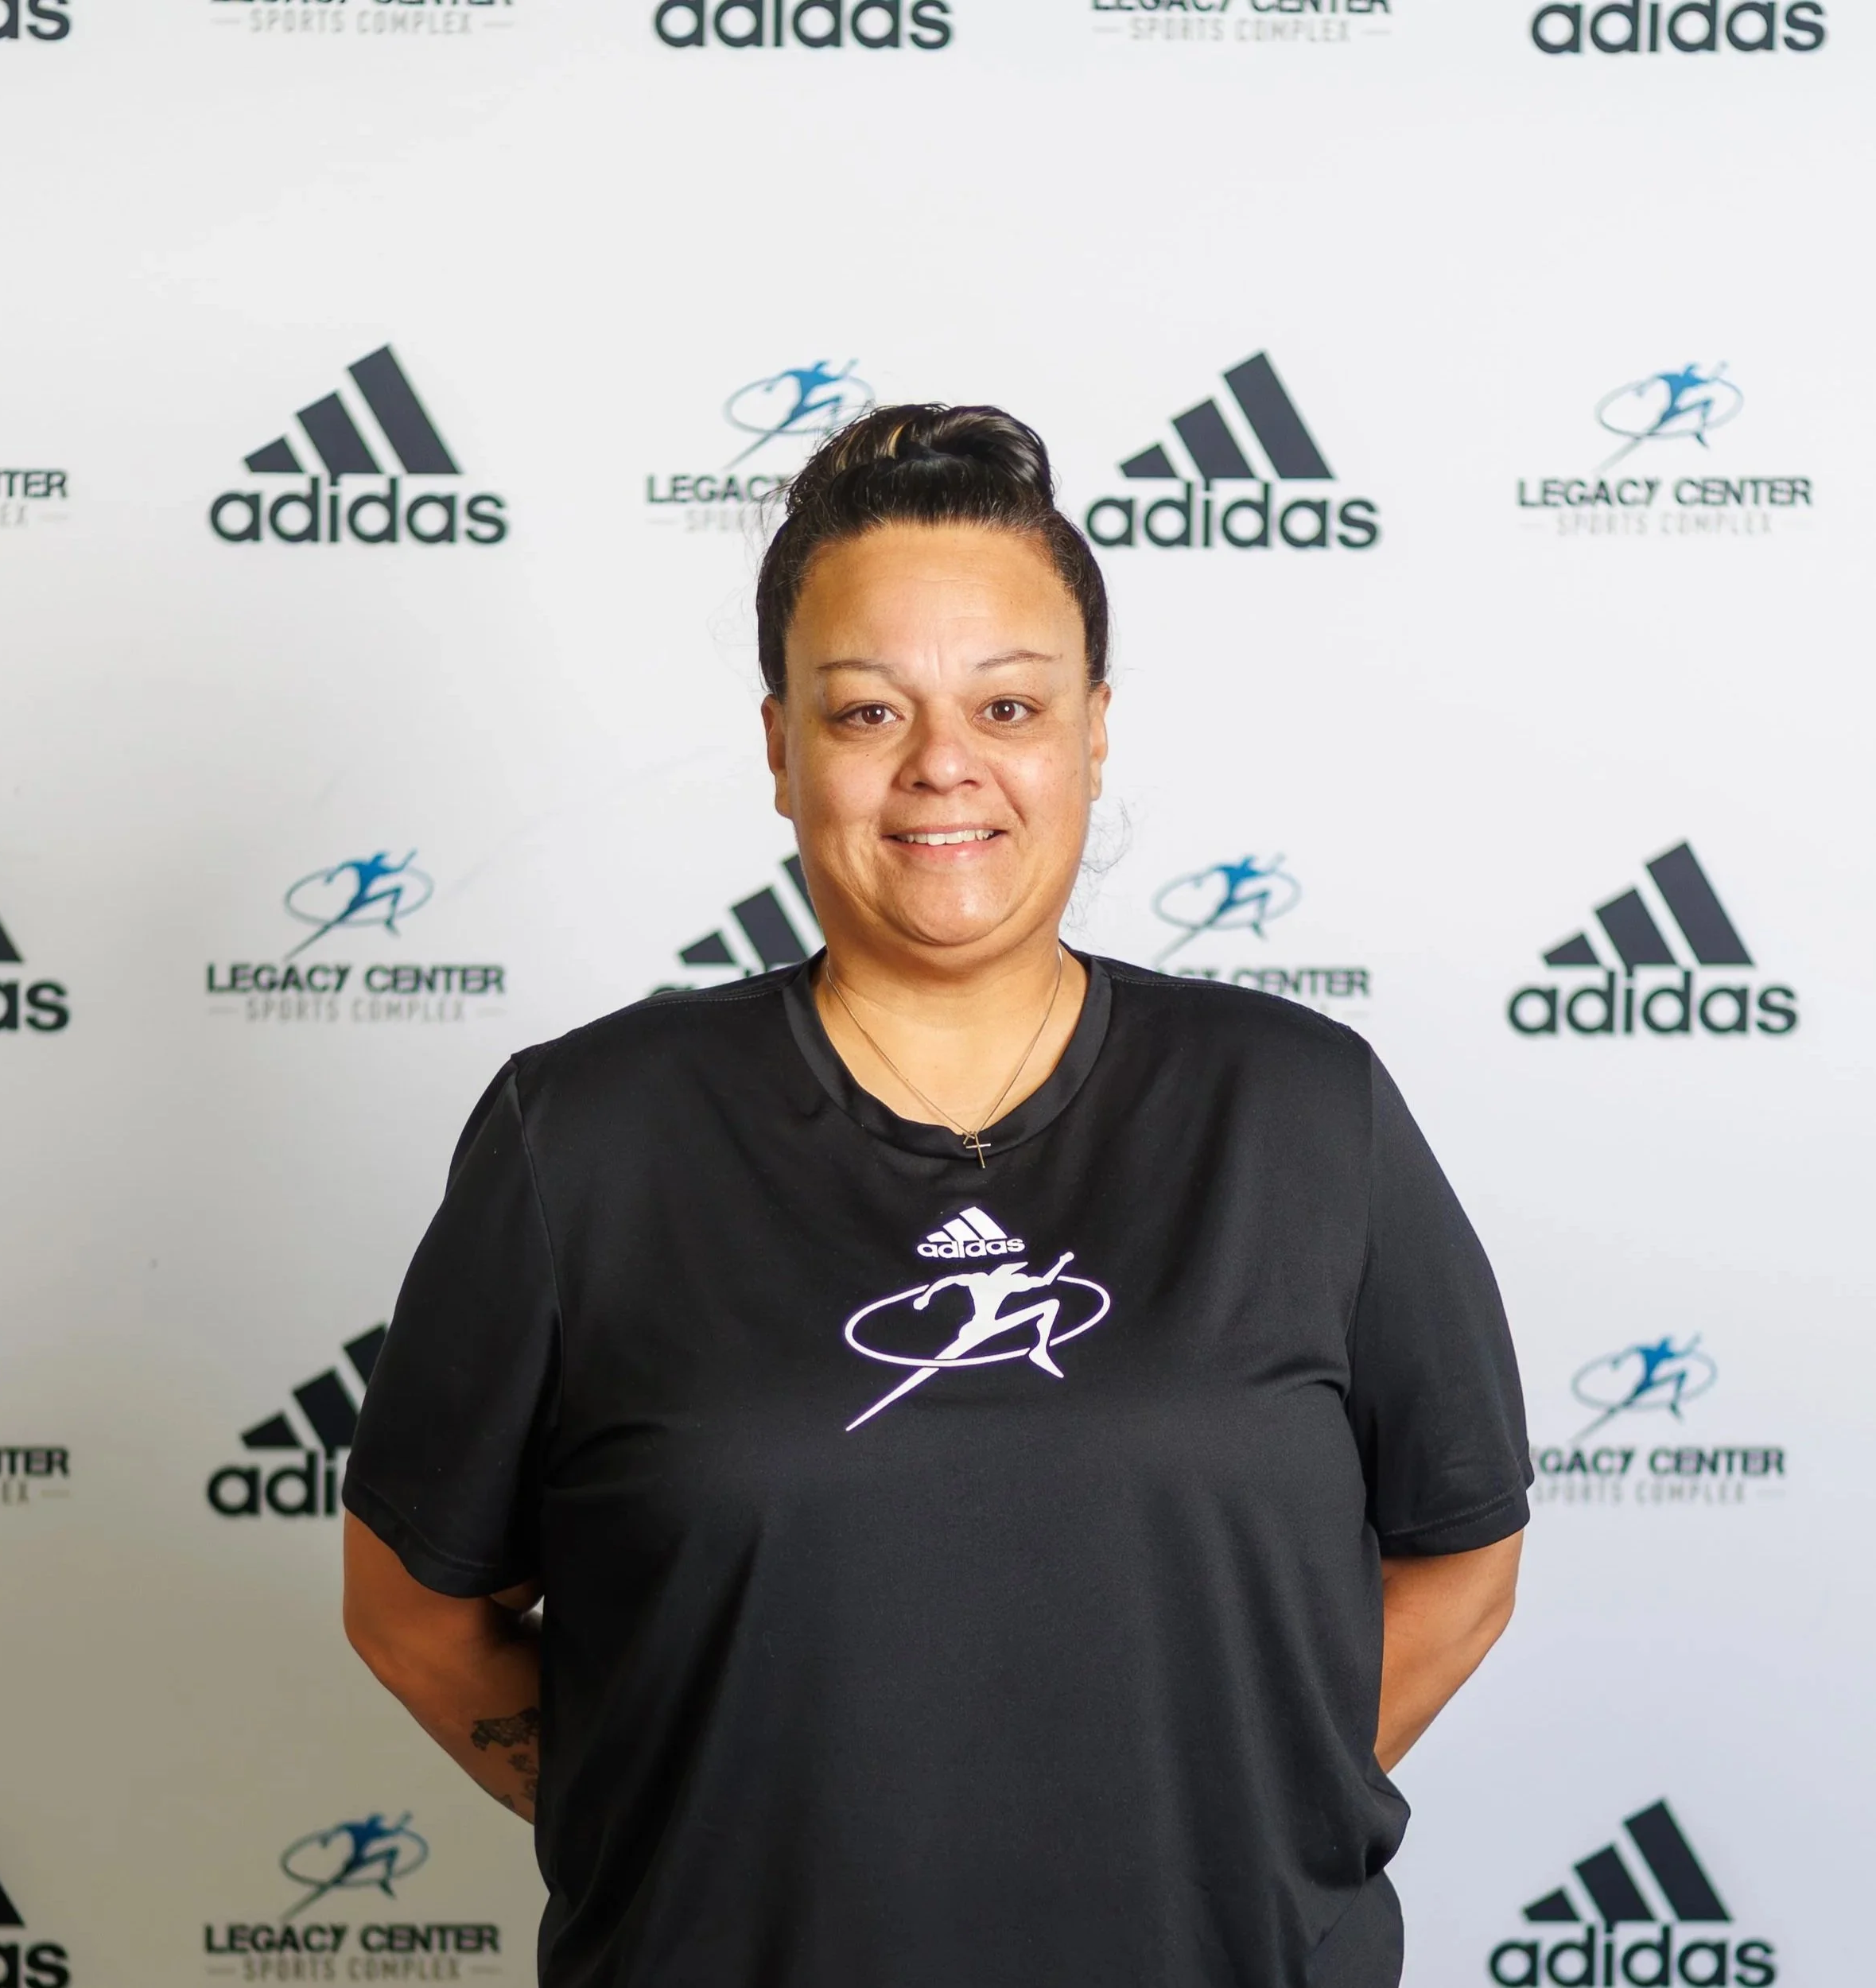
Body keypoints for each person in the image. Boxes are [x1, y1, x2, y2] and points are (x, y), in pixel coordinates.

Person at [341, 405, 1530, 1988]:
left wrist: (1253, 1805)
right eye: (863, 712)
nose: (941, 765)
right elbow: (412, 1607)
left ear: (1091, 729)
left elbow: (1460, 1551)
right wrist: (671, 1819)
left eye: (1008, 702)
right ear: (778, 746)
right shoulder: (584, 1133)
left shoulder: (1300, 1108)